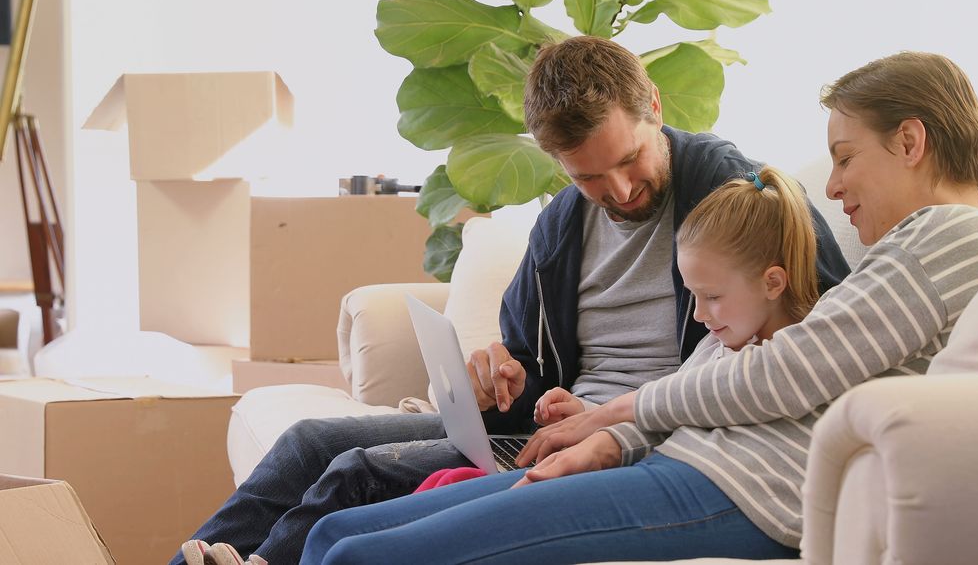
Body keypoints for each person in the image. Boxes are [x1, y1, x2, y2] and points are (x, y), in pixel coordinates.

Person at [299, 51, 978, 564]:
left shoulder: (954, 240)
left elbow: (787, 376)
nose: (830, 186)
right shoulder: (908, 250)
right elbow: (741, 359)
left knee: (360, 555)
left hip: (742, 490)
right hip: (682, 459)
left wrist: (614, 414)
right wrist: (616, 440)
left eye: (844, 156)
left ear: (912, 141)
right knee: (333, 537)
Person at [174, 36, 849, 565]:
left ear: (657, 111)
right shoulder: (562, 226)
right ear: (554, 160)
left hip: (638, 435)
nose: (617, 190)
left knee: (358, 472)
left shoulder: (735, 195)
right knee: (306, 442)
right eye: (588, 175)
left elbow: (817, 326)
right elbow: (532, 367)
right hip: (548, 426)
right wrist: (508, 376)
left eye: (629, 160)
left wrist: (606, 418)